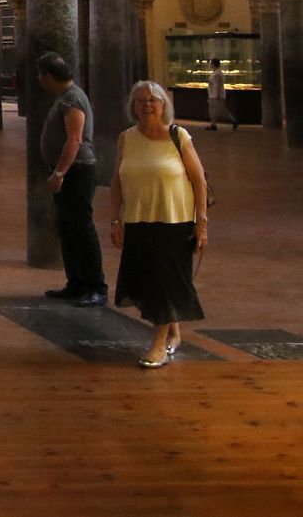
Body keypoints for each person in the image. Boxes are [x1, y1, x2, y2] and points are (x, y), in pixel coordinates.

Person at [110, 80, 208, 368]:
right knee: (147, 281)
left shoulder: (179, 137)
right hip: (139, 220)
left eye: (153, 100)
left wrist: (201, 222)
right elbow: (117, 180)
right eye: (141, 100)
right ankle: (173, 333)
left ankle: (158, 346)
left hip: (174, 221)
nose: (147, 105)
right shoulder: (127, 138)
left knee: (164, 282)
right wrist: (116, 219)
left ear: (164, 105)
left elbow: (199, 181)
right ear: (133, 107)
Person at [37, 52, 107, 307]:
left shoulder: (73, 98)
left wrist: (60, 172)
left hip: (77, 171)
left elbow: (75, 139)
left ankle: (96, 286)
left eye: (40, 76)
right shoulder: (66, 97)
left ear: (48, 76)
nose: (39, 81)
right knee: (67, 228)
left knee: (82, 228)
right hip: (70, 170)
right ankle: (76, 283)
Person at [206, 58, 238, 131]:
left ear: (213, 64)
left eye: (211, 63)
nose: (210, 65)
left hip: (216, 95)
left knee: (221, 110)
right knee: (212, 110)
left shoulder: (217, 73)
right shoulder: (215, 72)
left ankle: (233, 121)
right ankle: (213, 124)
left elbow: (217, 85)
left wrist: (217, 95)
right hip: (212, 95)